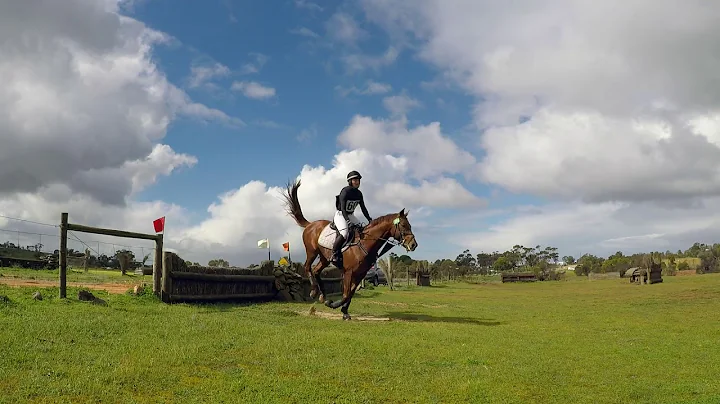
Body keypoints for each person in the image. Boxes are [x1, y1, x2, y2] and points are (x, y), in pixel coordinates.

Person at [332, 170, 372, 268]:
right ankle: (334, 253)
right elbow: (343, 208)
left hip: (350, 214)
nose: (357, 182)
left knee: (362, 229)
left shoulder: (359, 193)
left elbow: (363, 208)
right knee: (345, 233)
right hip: (341, 214)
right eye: (355, 180)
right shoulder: (345, 191)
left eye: (358, 180)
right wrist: (348, 221)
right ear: (350, 181)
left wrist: (370, 219)